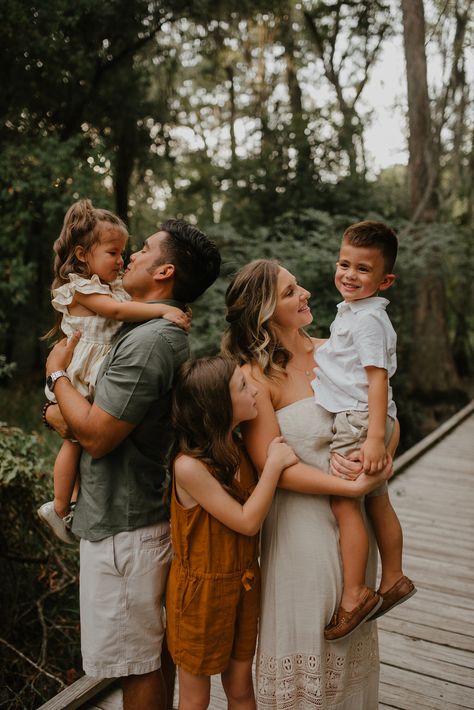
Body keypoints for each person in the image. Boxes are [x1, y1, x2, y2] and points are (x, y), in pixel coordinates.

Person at [44, 216, 221, 710]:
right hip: (124, 519)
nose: (131, 257)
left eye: (142, 249)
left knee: (134, 665)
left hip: (123, 530)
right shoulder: (141, 326)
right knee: (145, 654)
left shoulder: (148, 342)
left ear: (164, 271)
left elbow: (97, 436)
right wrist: (60, 414)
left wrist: (55, 376)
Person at [221, 259, 397, 709]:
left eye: (298, 286)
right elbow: (271, 466)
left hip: (354, 532)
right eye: (290, 291)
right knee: (309, 653)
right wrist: (351, 490)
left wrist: (381, 452)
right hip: (301, 536)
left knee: (348, 661)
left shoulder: (335, 351)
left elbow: (384, 415)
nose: (306, 295)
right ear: (263, 311)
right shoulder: (254, 377)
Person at [38, 199, 190, 544]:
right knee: (73, 443)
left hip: (87, 372)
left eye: (126, 252)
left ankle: (70, 503)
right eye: (113, 253)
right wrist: (161, 313)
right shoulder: (83, 288)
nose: (123, 260)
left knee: (78, 440)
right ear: (81, 254)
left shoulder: (116, 294)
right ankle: (60, 506)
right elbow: (118, 313)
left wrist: (169, 311)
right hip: (81, 369)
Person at [166, 355, 298, 709]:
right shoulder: (188, 468)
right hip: (200, 599)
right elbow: (246, 520)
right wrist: (272, 466)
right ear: (218, 406)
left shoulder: (238, 449)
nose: (254, 389)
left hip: (243, 586)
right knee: (196, 699)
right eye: (243, 386)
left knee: (240, 689)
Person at [312, 220, 416, 642]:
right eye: (344, 264)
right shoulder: (355, 312)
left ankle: (355, 593)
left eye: (362, 269)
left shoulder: (369, 321)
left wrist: (374, 437)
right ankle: (393, 578)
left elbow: (377, 379)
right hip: (366, 416)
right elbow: (341, 355)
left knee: (344, 501)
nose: (349, 275)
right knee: (377, 500)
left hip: (359, 418)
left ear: (385, 279)